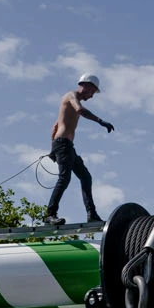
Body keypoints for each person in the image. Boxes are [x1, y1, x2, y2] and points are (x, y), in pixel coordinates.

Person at [45, 73, 114, 225]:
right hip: (63, 144)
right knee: (64, 178)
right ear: (86, 86)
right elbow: (80, 110)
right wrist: (100, 121)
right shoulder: (71, 96)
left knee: (85, 177)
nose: (92, 96)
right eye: (92, 92)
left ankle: (92, 214)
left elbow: (55, 126)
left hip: (66, 146)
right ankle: (50, 214)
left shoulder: (70, 101)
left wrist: (52, 148)